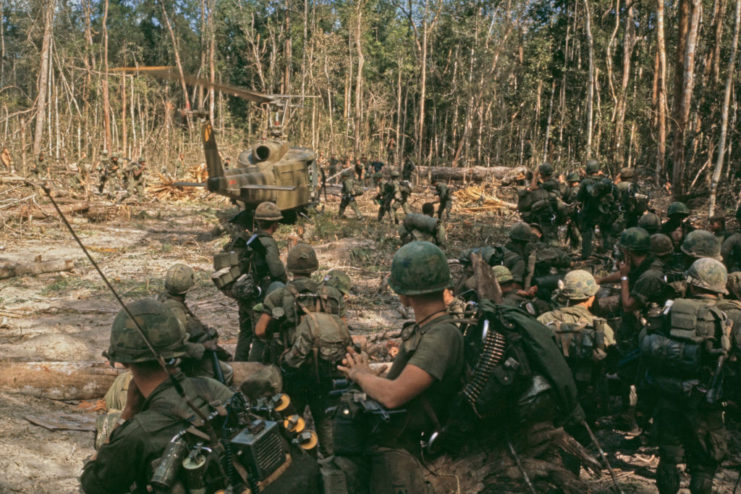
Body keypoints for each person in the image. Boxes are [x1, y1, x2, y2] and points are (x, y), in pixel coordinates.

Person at [330, 241, 464, 494]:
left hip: (401, 455)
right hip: (391, 446)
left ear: (406, 295)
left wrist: (359, 374)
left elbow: (393, 395)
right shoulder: (426, 330)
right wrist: (370, 377)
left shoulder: (440, 336)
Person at [80, 298, 234, 494]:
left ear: (125, 363)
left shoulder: (137, 434)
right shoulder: (211, 389)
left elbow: (93, 486)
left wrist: (126, 416)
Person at [639, 258, 734, 494]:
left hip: (668, 398)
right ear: (721, 287)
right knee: (704, 465)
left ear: (691, 284)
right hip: (707, 404)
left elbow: (647, 351)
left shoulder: (671, 309)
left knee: (669, 459)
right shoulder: (732, 315)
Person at [255, 244, 348, 457]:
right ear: (314, 267)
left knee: (293, 420)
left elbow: (260, 331)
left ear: (289, 268)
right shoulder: (332, 295)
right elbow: (342, 328)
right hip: (326, 367)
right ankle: (331, 465)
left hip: (293, 369)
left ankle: (301, 462)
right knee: (325, 421)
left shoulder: (278, 296)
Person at [538, 270, 616, 419]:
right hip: (589, 398)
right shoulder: (601, 327)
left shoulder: (544, 320)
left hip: (552, 394)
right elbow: (610, 362)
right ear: (591, 298)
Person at [230, 201, 287, 362]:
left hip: (245, 289)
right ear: (275, 224)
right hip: (258, 294)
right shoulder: (267, 242)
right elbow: (276, 271)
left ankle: (239, 365)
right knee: (259, 336)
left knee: (245, 332)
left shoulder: (251, 239)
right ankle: (253, 371)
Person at [158, 263, 232, 383]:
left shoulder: (164, 300)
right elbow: (178, 346)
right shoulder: (176, 311)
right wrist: (203, 347)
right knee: (227, 371)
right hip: (179, 361)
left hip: (174, 356)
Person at [577, 159, 618, 259]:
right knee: (606, 231)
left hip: (590, 212)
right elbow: (616, 195)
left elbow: (579, 198)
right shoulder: (607, 181)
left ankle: (586, 254)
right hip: (605, 212)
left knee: (587, 231)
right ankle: (607, 253)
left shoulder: (586, 182)